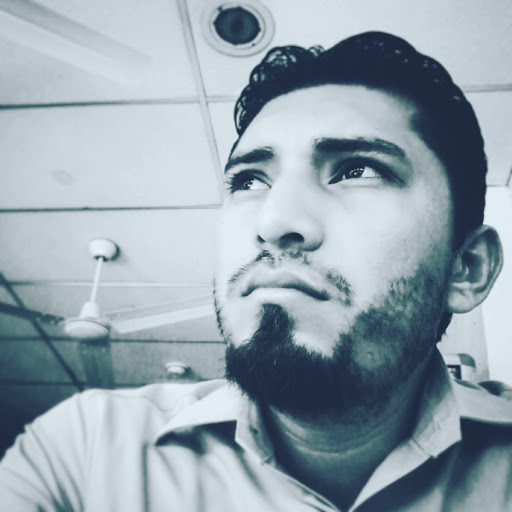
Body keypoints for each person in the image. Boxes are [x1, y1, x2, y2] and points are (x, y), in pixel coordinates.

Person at [0, 31, 510, 511]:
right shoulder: (84, 453)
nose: (273, 221)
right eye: (249, 181)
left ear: (467, 268)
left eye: (357, 171)